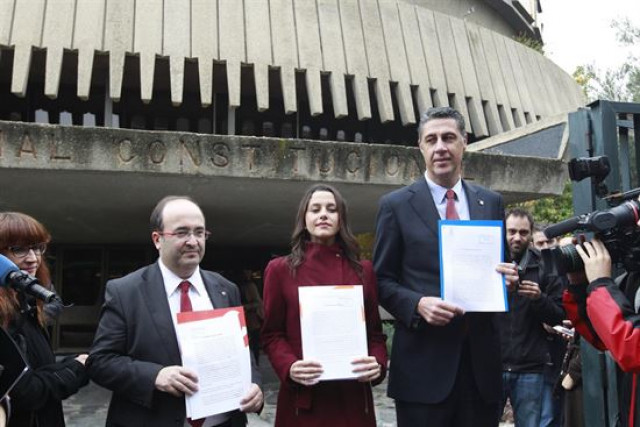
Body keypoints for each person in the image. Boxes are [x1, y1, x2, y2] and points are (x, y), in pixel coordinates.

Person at [373, 106, 505, 427]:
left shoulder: (492, 203)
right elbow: (381, 280)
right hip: (423, 373)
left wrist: (508, 280)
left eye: (448, 137)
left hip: (480, 372)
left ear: (464, 142)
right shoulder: (395, 206)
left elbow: (501, 270)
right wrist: (417, 304)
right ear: (420, 147)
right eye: (431, 140)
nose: (440, 147)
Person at [86, 196, 263, 427]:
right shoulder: (125, 292)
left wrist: (255, 385)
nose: (193, 241)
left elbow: (242, 353)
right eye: (182, 233)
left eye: (199, 232)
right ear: (158, 239)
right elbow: (100, 362)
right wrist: (154, 376)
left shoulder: (225, 289)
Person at [261, 183, 387, 427]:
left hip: (352, 396)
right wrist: (290, 367)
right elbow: (272, 335)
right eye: (315, 209)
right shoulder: (280, 270)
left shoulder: (363, 271)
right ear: (304, 218)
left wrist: (378, 363)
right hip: (305, 397)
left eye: (331, 209)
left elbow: (375, 335)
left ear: (341, 219)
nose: (323, 215)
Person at [0, 212, 89, 427]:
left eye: (38, 247)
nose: (33, 258)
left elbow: (36, 369)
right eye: (18, 249)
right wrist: (75, 368)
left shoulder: (26, 304)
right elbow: (26, 392)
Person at [495, 209, 565, 427]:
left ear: (531, 234)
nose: (517, 237)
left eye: (523, 232)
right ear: (503, 232)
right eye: (512, 231)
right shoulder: (489, 262)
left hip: (531, 368)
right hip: (492, 364)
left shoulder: (545, 266)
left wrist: (538, 298)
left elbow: (559, 316)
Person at [563, 236, 640, 427]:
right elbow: (605, 339)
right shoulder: (632, 278)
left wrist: (600, 285)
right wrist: (580, 285)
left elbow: (632, 349)